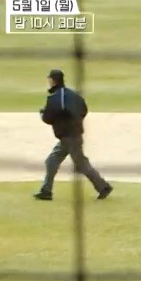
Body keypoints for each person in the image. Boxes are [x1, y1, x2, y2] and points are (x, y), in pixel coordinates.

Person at [34, 69, 114, 201]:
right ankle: (46, 191)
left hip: (69, 137)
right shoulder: (73, 95)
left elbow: (48, 118)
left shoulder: (54, 98)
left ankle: (104, 187)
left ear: (53, 81)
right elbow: (83, 110)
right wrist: (75, 122)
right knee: (52, 161)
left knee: (81, 164)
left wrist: (43, 114)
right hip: (71, 136)